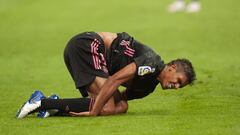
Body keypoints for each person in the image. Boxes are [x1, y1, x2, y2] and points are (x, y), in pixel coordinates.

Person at [16, 32, 196, 118]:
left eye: (181, 86)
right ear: (171, 67)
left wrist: (101, 106)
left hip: (92, 58)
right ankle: (41, 103)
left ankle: (55, 106)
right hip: (87, 46)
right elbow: (115, 80)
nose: (177, 87)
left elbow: (120, 99)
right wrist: (95, 111)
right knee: (107, 107)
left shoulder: (148, 87)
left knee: (120, 107)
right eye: (178, 81)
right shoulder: (152, 63)